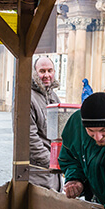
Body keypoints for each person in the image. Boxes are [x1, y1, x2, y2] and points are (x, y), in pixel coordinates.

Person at [30, 57, 62, 191]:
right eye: (42, 71)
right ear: (35, 73)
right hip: (38, 174)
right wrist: (51, 161)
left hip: (54, 176)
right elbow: (29, 138)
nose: (47, 75)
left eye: (50, 71)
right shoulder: (28, 97)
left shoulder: (53, 96)